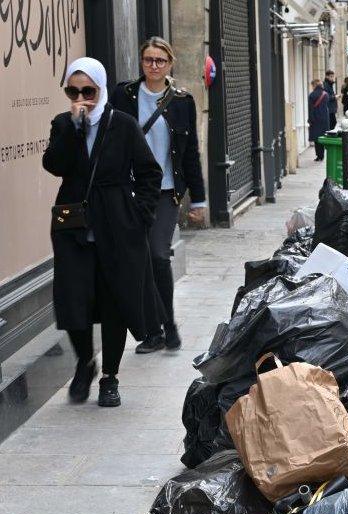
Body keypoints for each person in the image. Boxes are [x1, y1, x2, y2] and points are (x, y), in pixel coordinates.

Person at [43, 57, 164, 407]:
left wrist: (139, 215)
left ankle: (109, 377)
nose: (82, 97)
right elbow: (54, 165)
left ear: (101, 88)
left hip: (117, 227)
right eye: (74, 90)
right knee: (72, 299)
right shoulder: (63, 124)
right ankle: (85, 362)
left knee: (114, 304)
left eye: (89, 90)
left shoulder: (122, 125)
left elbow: (149, 173)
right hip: (73, 227)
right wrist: (72, 129)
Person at [109, 36, 206, 355]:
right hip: (129, 191)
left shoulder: (181, 101)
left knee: (157, 255)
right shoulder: (124, 95)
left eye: (160, 61)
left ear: (170, 63)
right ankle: (152, 332)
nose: (153, 66)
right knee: (138, 263)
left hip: (165, 192)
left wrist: (199, 201)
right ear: (141, 62)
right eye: (148, 60)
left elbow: (190, 152)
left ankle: (169, 325)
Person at [306, 79, 331, 161]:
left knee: (317, 138)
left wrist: (310, 119)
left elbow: (310, 109)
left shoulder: (312, 95)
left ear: (314, 85)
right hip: (324, 118)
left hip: (315, 119)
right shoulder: (326, 94)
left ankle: (319, 155)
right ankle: (322, 155)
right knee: (323, 137)